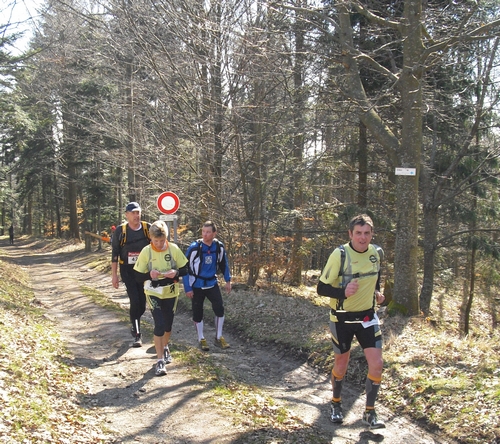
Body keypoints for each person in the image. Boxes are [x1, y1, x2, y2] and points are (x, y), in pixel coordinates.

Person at [317, 214, 386, 429]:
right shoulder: (340, 255)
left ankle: (369, 412)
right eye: (358, 233)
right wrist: (343, 292)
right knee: (341, 364)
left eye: (367, 233)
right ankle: (336, 404)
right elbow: (321, 288)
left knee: (377, 364)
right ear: (350, 234)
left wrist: (377, 292)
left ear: (372, 234)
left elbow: (376, 276)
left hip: (367, 317)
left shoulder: (377, 253)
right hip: (342, 318)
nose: (363, 238)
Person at [134, 220, 188, 377]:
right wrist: (149, 275)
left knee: (168, 326)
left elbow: (186, 268)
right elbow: (137, 276)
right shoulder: (146, 252)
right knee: (159, 324)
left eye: (161, 240)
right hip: (153, 292)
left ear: (166, 238)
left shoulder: (173, 249)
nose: (158, 243)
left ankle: (165, 347)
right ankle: (159, 361)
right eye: (155, 240)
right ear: (150, 238)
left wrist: (176, 273)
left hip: (171, 292)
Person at [183, 221, 232, 351]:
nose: (205, 234)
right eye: (203, 231)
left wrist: (228, 280)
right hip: (197, 284)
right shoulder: (195, 247)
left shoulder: (218, 247)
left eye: (208, 232)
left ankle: (219, 337)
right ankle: (201, 338)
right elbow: (184, 267)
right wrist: (187, 287)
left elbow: (224, 264)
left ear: (214, 233)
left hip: (212, 283)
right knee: (198, 312)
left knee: (219, 308)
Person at [111, 202, 151, 347]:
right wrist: (114, 275)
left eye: (138, 212)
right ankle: (137, 333)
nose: (136, 215)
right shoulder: (121, 231)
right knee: (134, 300)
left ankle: (135, 322)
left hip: (144, 270)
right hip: (127, 270)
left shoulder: (148, 228)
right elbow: (115, 253)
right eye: (133, 213)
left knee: (142, 303)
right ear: (126, 214)